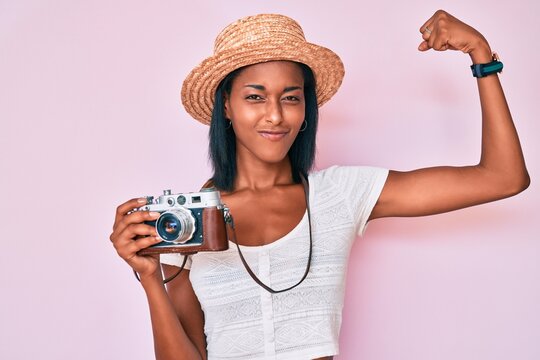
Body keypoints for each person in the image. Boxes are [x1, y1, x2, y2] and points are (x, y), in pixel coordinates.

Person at [109, 10, 529, 360]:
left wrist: (481, 57)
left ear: (306, 108)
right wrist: (150, 277)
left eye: (290, 97)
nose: (275, 115)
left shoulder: (340, 194)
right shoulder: (188, 224)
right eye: (255, 97)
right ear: (226, 106)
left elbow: (503, 178)